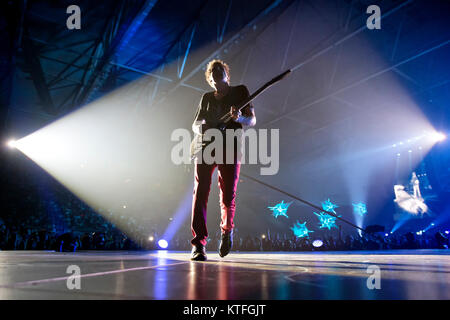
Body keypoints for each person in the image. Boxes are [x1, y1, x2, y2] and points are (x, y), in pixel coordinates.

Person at [190, 59, 256, 261]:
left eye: (219, 73)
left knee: (227, 195)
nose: (216, 77)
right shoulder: (206, 98)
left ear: (226, 74)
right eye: (212, 75)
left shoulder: (240, 92)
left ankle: (227, 230)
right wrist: (200, 128)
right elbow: (195, 124)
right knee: (200, 192)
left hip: (231, 148)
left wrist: (239, 119)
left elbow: (251, 120)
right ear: (209, 80)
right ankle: (198, 245)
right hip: (206, 148)